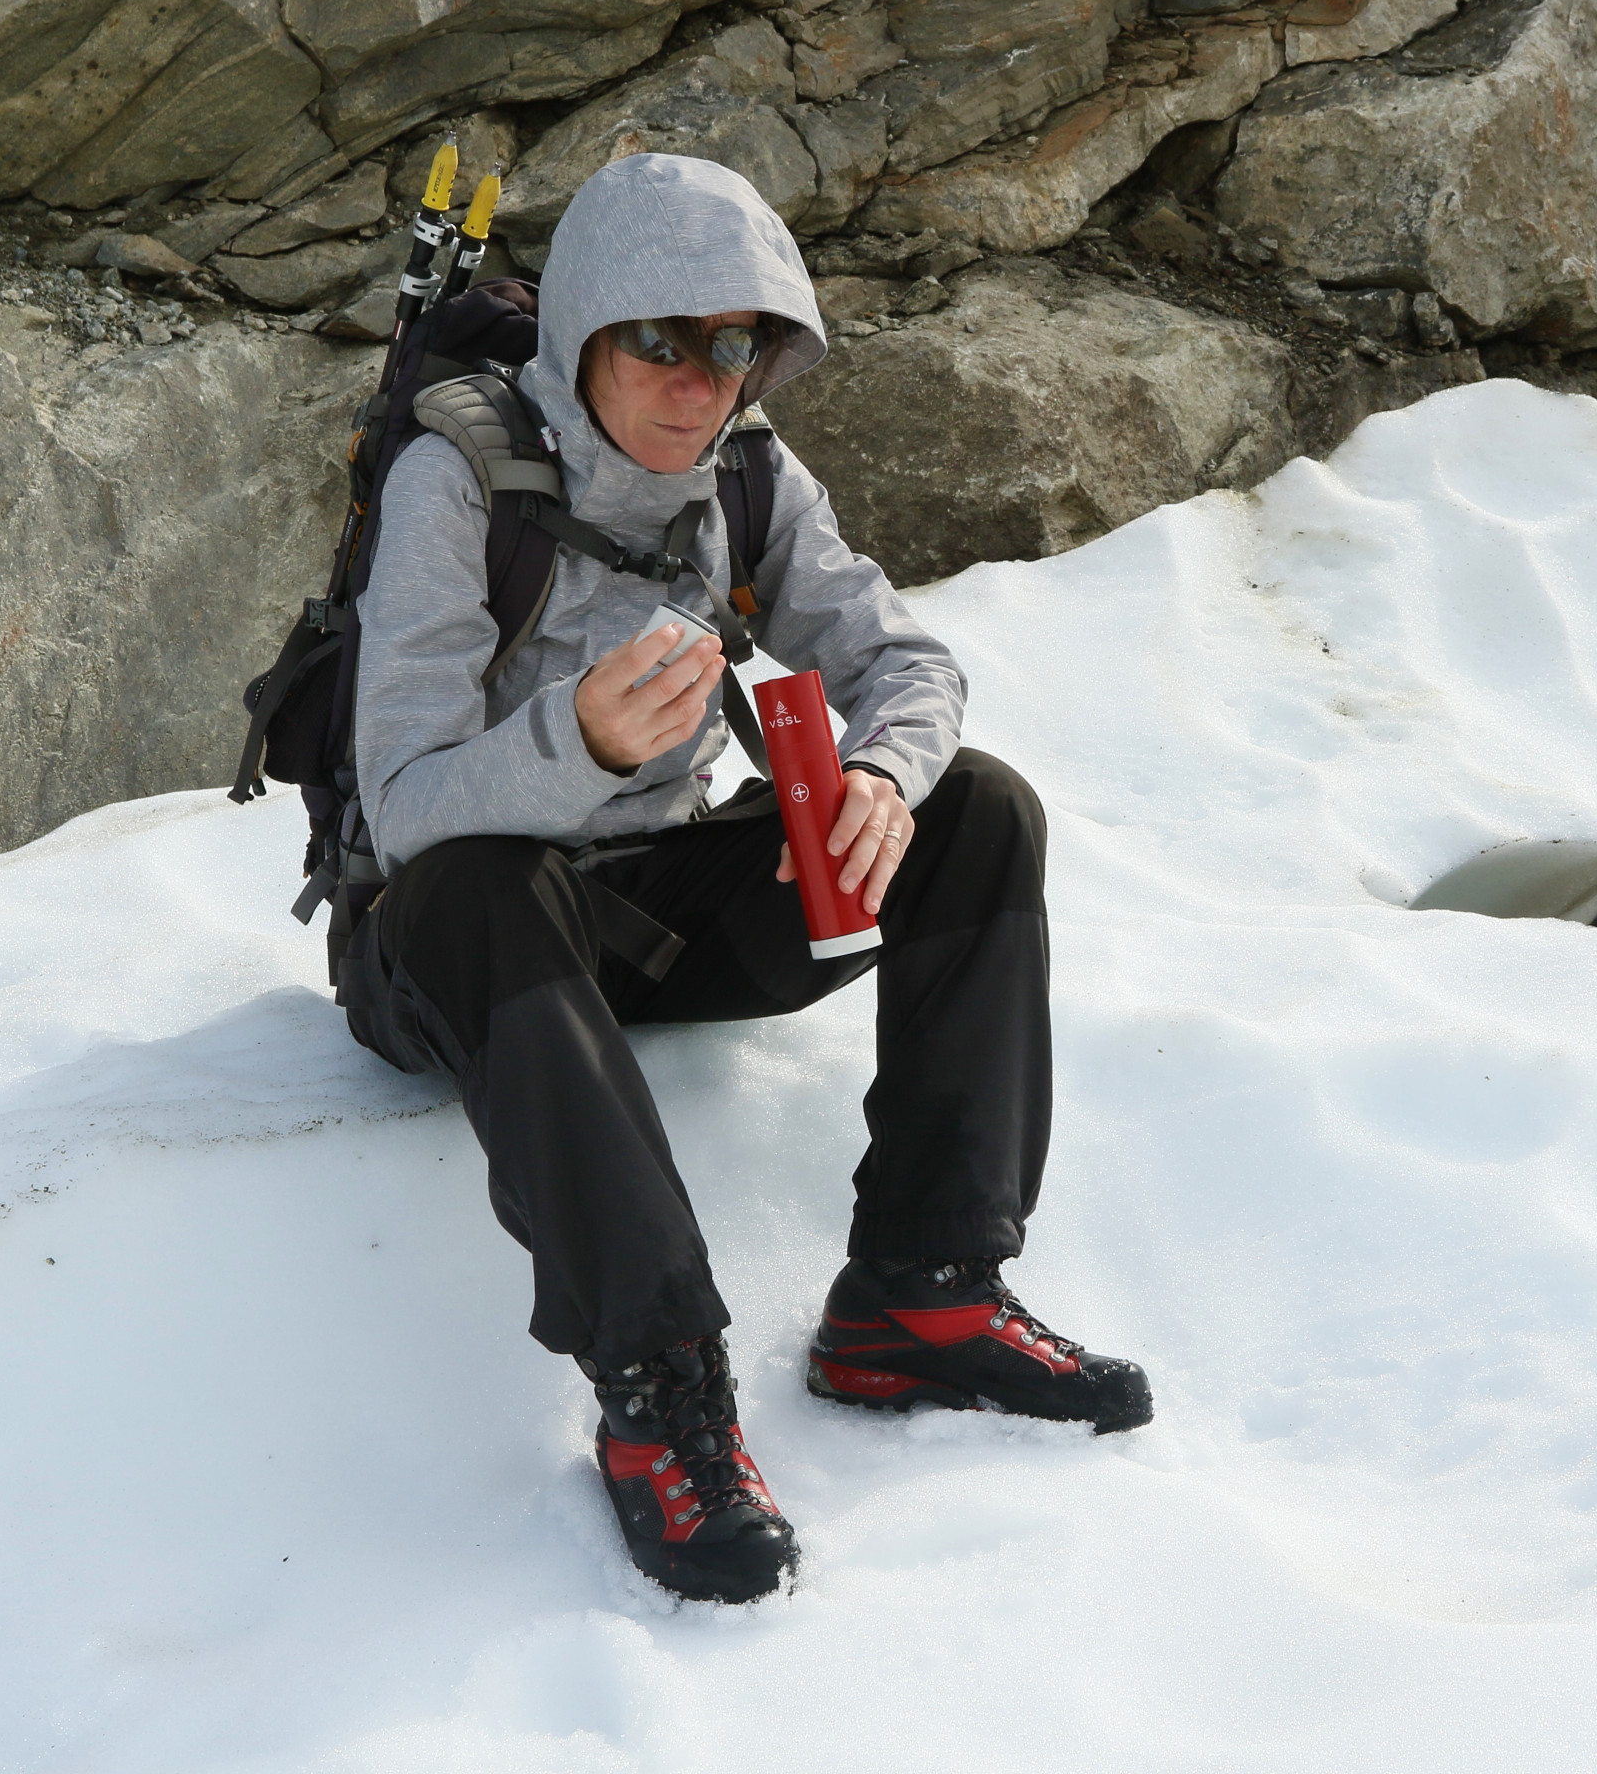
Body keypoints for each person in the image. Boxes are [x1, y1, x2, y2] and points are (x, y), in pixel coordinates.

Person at [340, 154, 1151, 1605]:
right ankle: (661, 1384)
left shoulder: (750, 482)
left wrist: (886, 780)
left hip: (637, 909)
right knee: (477, 882)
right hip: (445, 944)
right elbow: (402, 808)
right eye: (661, 339)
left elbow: (907, 662)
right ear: (585, 329)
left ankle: (924, 1293)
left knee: (980, 811)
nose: (699, 382)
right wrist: (575, 739)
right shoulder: (454, 478)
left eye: (733, 346)